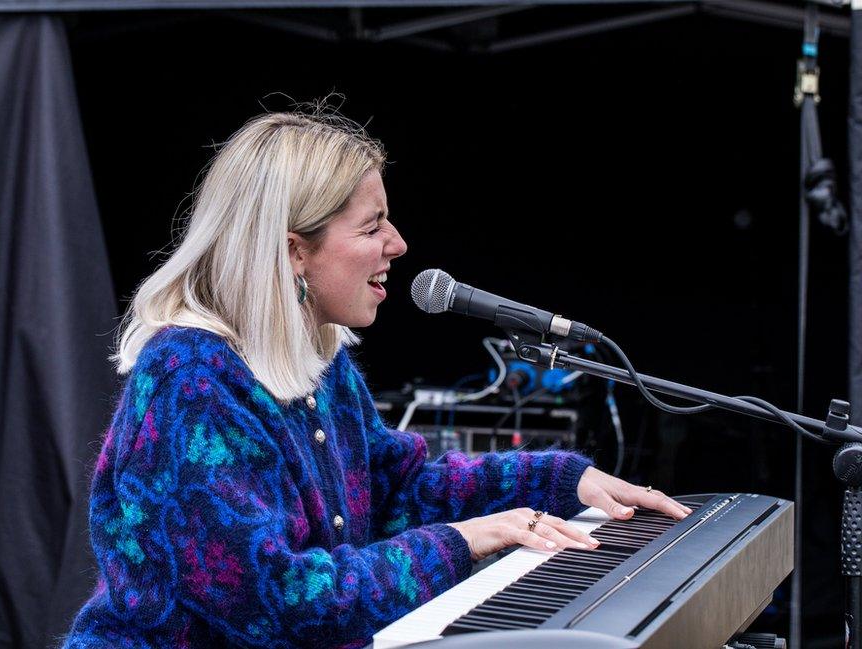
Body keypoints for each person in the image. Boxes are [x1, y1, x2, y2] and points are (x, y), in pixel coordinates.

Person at [63, 111, 690, 648]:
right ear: (291, 252)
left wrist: (561, 480)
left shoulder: (319, 362)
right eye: (371, 227)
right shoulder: (191, 384)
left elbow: (397, 489)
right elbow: (274, 603)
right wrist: (463, 541)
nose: (398, 243)